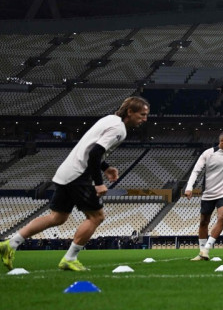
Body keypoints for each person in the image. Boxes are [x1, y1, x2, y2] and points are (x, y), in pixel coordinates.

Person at [0, 97, 150, 271]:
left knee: (57, 217)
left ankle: (10, 243)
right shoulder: (119, 129)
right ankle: (70, 258)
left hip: (67, 171)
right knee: (97, 217)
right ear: (130, 112)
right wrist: (99, 183)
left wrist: (106, 167)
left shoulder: (109, 120)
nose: (144, 119)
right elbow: (94, 154)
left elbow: (89, 150)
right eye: (142, 115)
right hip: (78, 175)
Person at [185, 131, 223, 261]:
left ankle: (207, 249)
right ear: (221, 141)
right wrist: (189, 187)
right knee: (204, 222)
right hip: (208, 193)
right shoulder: (208, 153)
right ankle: (202, 252)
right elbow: (196, 170)